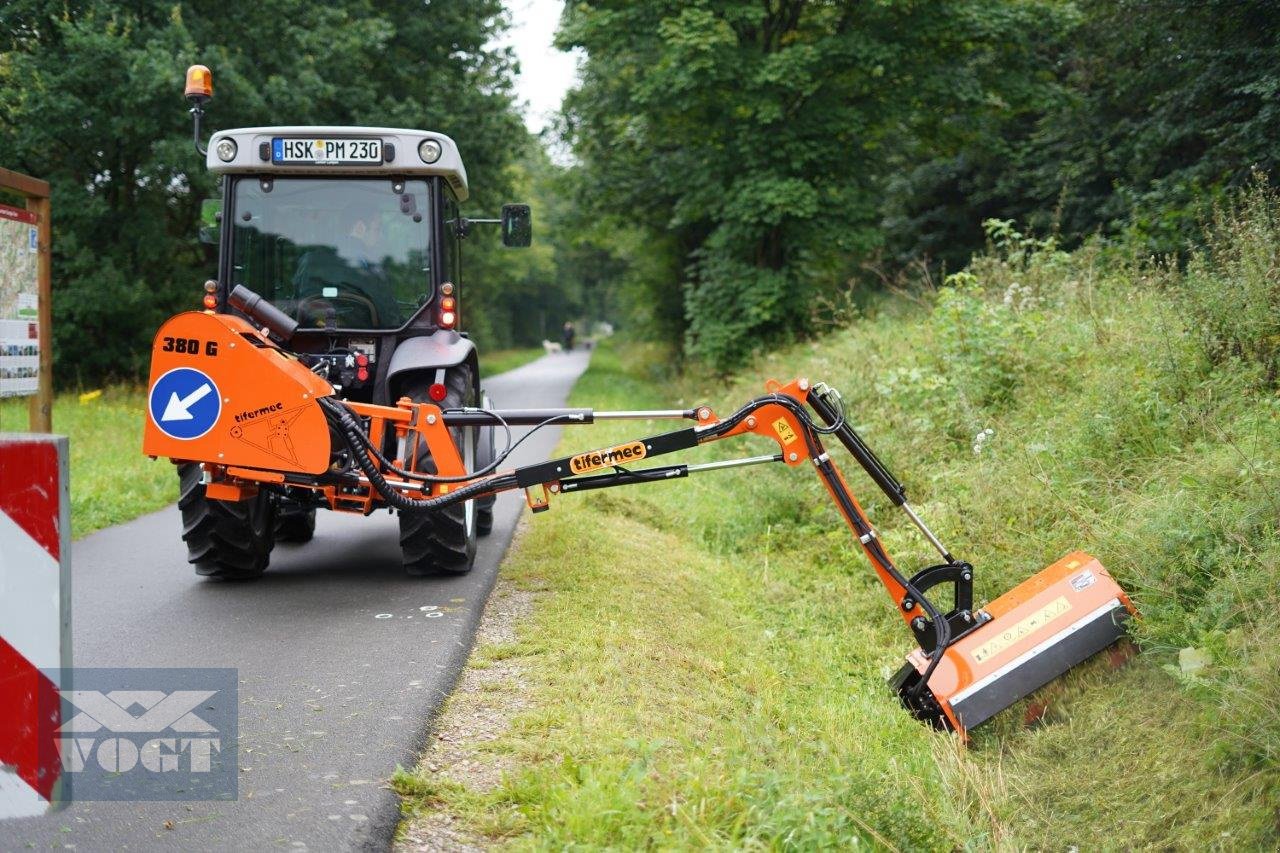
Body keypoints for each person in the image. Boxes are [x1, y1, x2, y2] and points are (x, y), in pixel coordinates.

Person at [292, 206, 403, 328]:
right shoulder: (368, 267)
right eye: (377, 229)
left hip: (309, 339)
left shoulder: (310, 261)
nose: (379, 235)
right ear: (360, 227)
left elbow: (296, 304)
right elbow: (390, 318)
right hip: (367, 340)